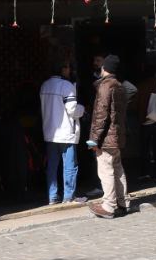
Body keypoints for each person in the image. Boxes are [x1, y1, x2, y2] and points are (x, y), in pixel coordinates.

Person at [87, 54, 129, 219]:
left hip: (106, 138)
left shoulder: (106, 86)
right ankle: (123, 202)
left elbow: (100, 115)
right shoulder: (120, 86)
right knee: (118, 169)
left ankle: (109, 206)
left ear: (104, 67)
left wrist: (93, 139)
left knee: (106, 170)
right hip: (117, 136)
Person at [40, 60, 86, 205]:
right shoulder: (66, 86)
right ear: (62, 69)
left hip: (50, 132)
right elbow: (72, 110)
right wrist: (83, 109)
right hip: (66, 132)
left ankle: (52, 196)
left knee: (52, 166)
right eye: (67, 67)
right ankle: (69, 196)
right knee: (70, 165)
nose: (69, 70)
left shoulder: (44, 85)